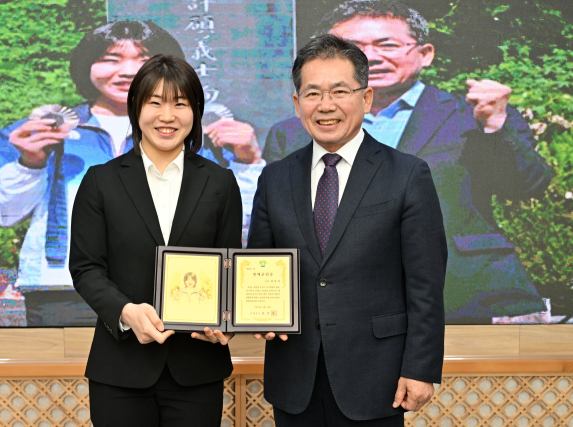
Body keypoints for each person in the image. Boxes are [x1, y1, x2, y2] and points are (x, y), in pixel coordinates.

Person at [262, 0, 552, 323]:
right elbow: (281, 230)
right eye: (352, 48)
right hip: (341, 312)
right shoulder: (292, 134)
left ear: (425, 53)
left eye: (387, 44)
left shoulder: (473, 118)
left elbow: (527, 185)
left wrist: (496, 128)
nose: (370, 57)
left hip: (464, 296)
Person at [0, 20, 259, 325]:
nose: (129, 70)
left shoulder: (206, 135)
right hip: (66, 288)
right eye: (110, 59)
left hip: (172, 287)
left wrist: (247, 162)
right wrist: (30, 163)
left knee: (166, 373)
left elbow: (237, 220)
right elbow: (0, 213)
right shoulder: (37, 133)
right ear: (85, 66)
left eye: (144, 59)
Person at [248, 34, 447, 427]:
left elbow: (426, 284)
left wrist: (421, 368)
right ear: (296, 103)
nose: (326, 106)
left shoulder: (407, 175)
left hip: (377, 378)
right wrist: (256, 314)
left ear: (366, 98)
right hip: (295, 379)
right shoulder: (275, 177)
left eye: (340, 91)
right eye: (313, 93)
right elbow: (259, 265)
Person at [69, 54, 242, 426]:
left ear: (196, 111)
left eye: (180, 103)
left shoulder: (220, 182)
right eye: (155, 102)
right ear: (136, 108)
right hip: (120, 369)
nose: (167, 116)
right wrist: (126, 312)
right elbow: (86, 268)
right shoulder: (101, 181)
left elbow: (231, 267)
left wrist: (226, 320)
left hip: (197, 368)